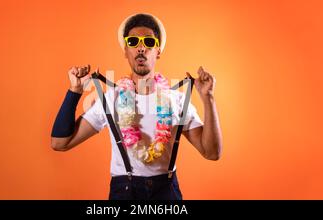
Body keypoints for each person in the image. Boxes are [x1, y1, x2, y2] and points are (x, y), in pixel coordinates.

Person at [51, 13, 222, 200]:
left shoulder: (177, 100)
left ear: (158, 51)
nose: (141, 48)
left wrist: (208, 98)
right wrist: (74, 91)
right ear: (126, 50)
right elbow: (60, 143)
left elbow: (212, 152)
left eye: (148, 42)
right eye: (133, 42)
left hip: (167, 194)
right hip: (124, 193)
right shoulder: (110, 99)